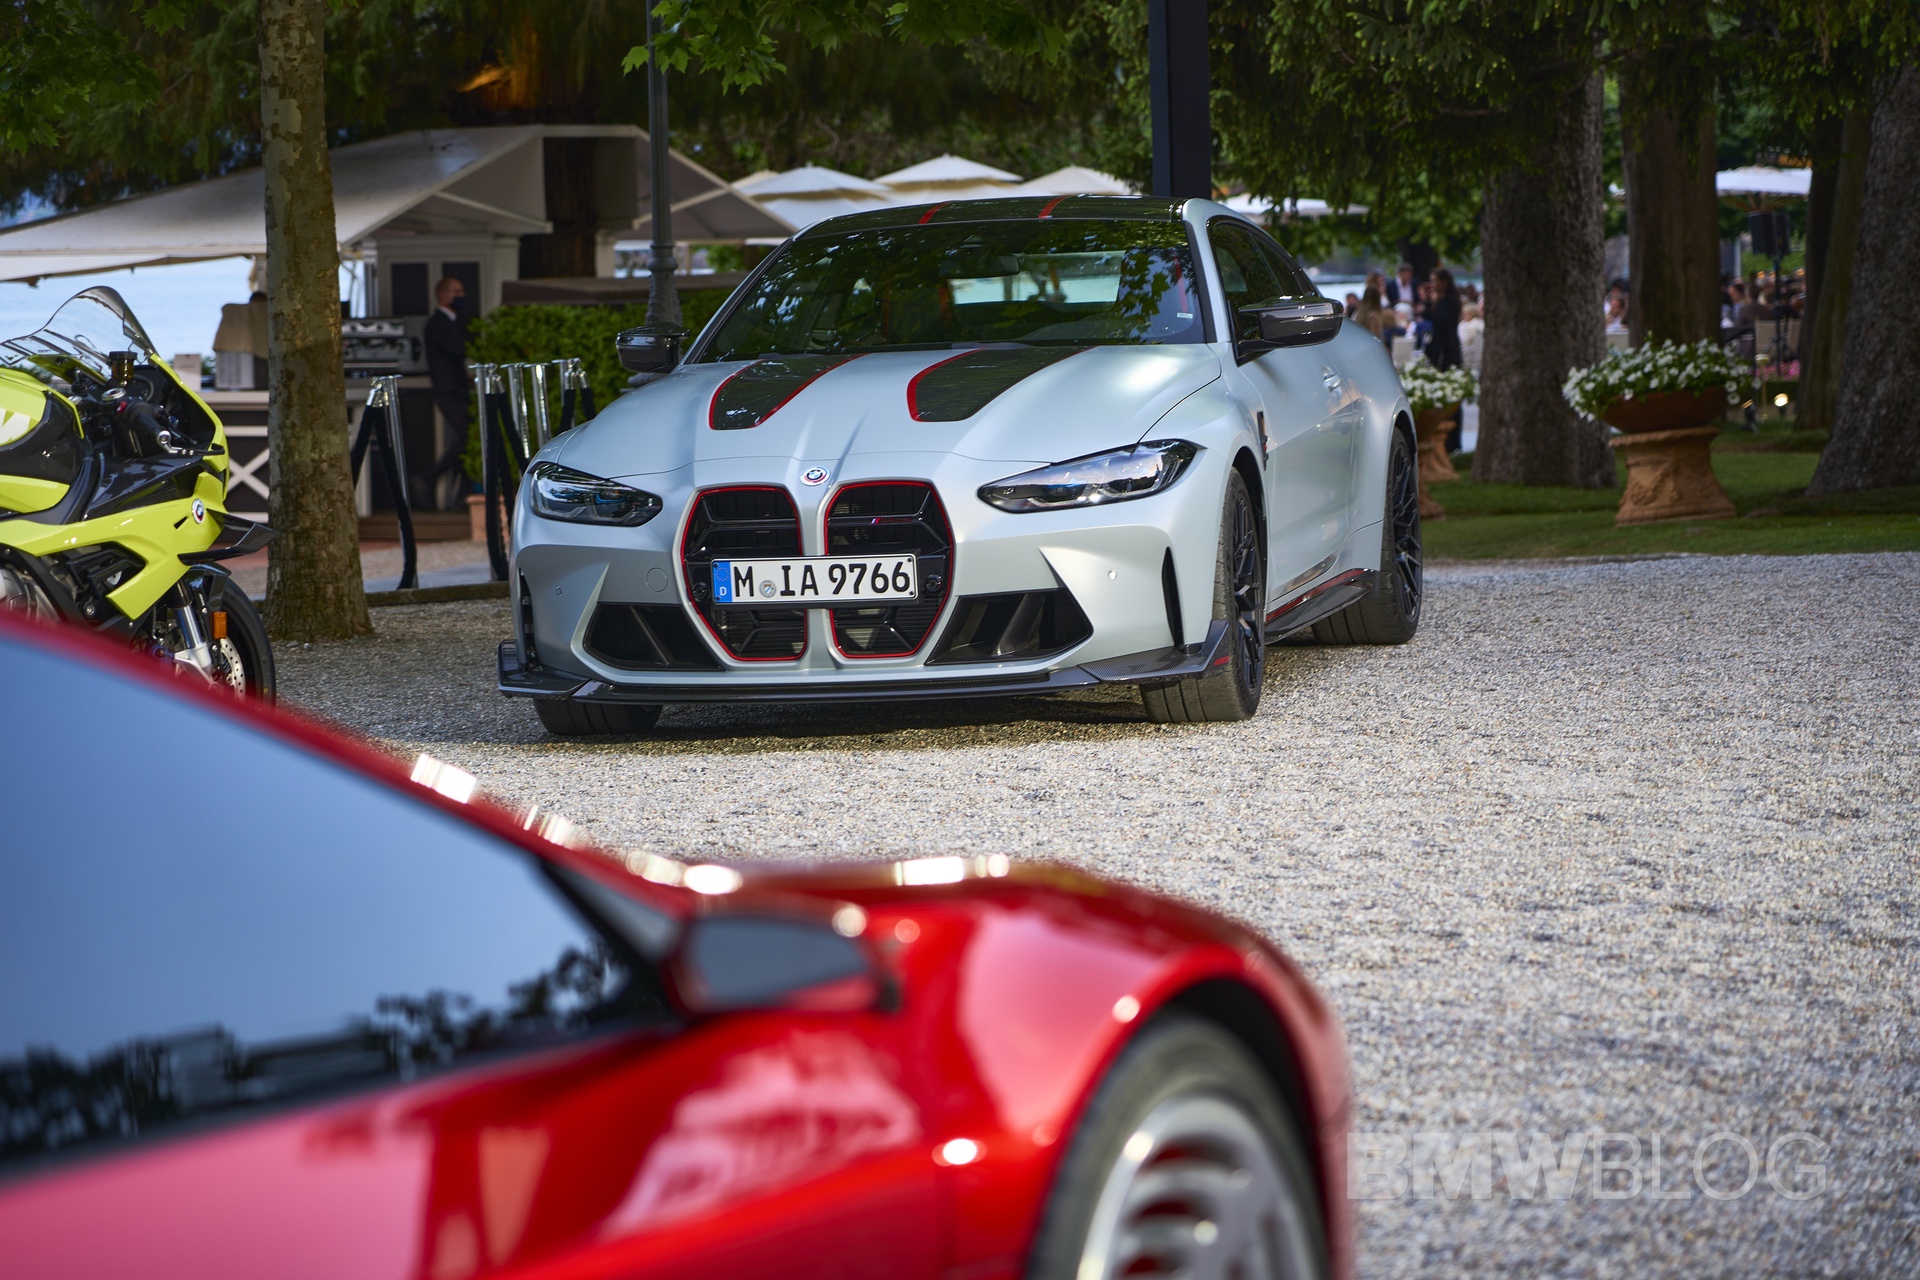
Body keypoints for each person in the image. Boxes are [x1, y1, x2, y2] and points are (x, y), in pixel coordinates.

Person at [424, 276, 472, 506]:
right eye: (456, 292)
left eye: (462, 291)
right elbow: (457, 349)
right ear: (442, 295)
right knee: (468, 437)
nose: (461, 296)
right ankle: (430, 477)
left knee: (468, 438)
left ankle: (463, 491)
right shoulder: (438, 323)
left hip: (457, 389)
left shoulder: (452, 322)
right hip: (448, 391)